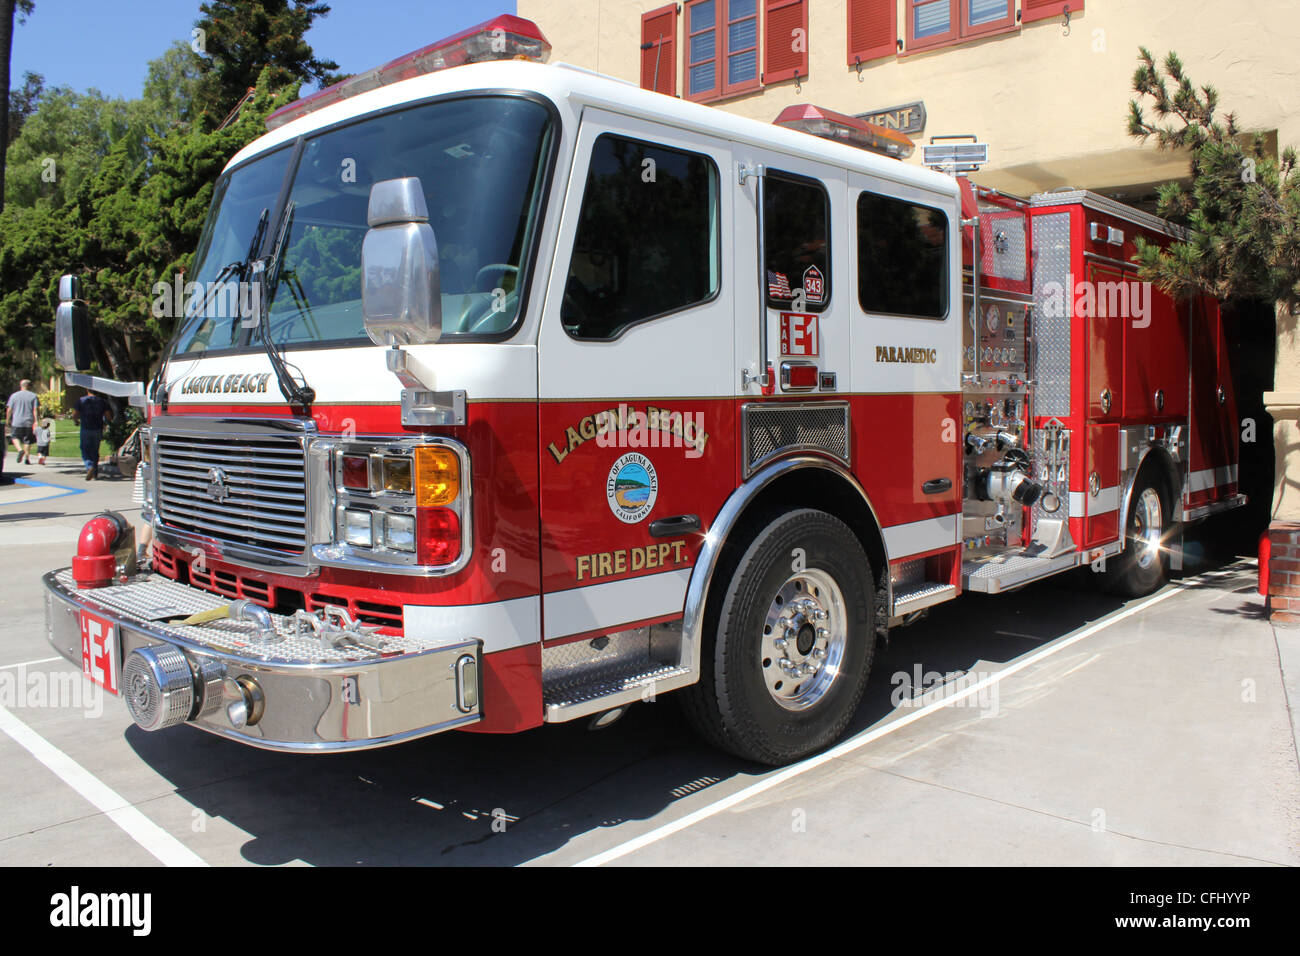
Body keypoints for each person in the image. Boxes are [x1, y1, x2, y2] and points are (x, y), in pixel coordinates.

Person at [72, 390, 112, 480]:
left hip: (86, 428)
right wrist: (106, 423)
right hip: (98, 429)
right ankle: (95, 473)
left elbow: (75, 414)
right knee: (95, 451)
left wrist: (76, 421)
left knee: (85, 449)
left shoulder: (81, 400)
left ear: (87, 390)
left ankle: (89, 466)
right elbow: (108, 416)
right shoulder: (102, 402)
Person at [5, 379, 40, 464]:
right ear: (29, 386)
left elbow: (9, 409)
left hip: (17, 421)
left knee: (14, 437)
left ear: (21, 386)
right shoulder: (33, 396)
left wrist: (7, 420)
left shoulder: (14, 396)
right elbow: (35, 410)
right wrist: (36, 421)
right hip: (29, 422)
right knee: (27, 440)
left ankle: (20, 450)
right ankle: (27, 459)